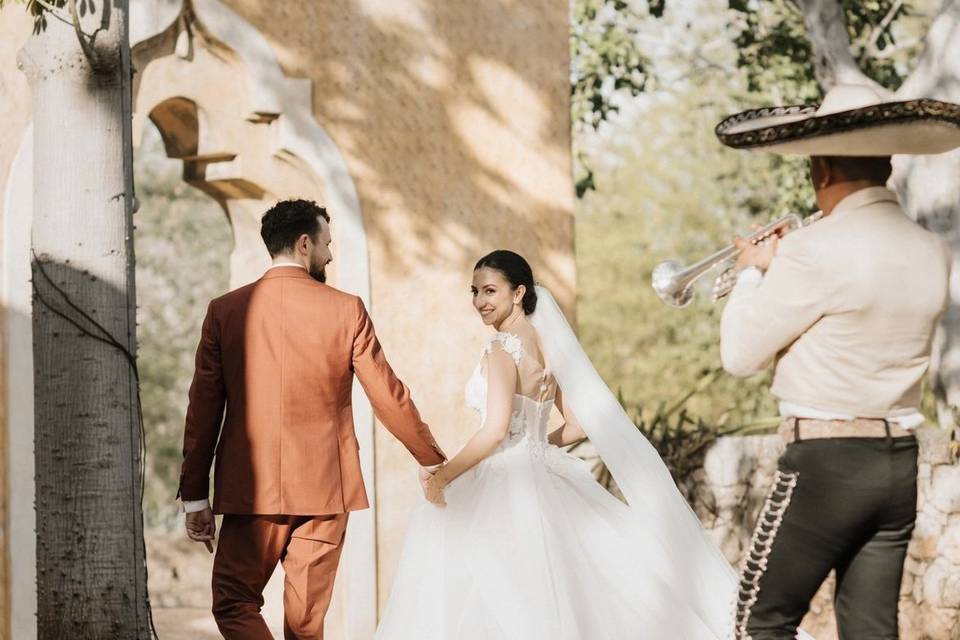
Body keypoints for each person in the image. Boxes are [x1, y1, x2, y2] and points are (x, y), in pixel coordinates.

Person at [374, 250, 803, 639]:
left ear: (518, 292)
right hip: (547, 476)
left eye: (490, 290)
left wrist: (443, 477)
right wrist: (536, 445)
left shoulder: (501, 348)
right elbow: (576, 426)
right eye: (474, 291)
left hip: (506, 484)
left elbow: (494, 430)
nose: (479, 301)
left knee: (493, 594)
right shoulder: (545, 347)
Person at [715, 84, 960, 639]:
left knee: (760, 622)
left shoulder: (813, 249)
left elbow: (739, 356)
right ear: (889, 163)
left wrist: (755, 270)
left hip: (825, 462)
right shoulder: (931, 250)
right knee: (872, 631)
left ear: (820, 168)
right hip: (897, 463)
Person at [178, 198, 446, 639]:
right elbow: (388, 394)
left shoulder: (224, 312)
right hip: (326, 487)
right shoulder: (347, 309)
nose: (330, 254)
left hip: (252, 489)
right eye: (326, 243)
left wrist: (194, 495)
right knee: (306, 624)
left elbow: (203, 408)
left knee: (233, 601)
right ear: (305, 244)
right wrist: (433, 458)